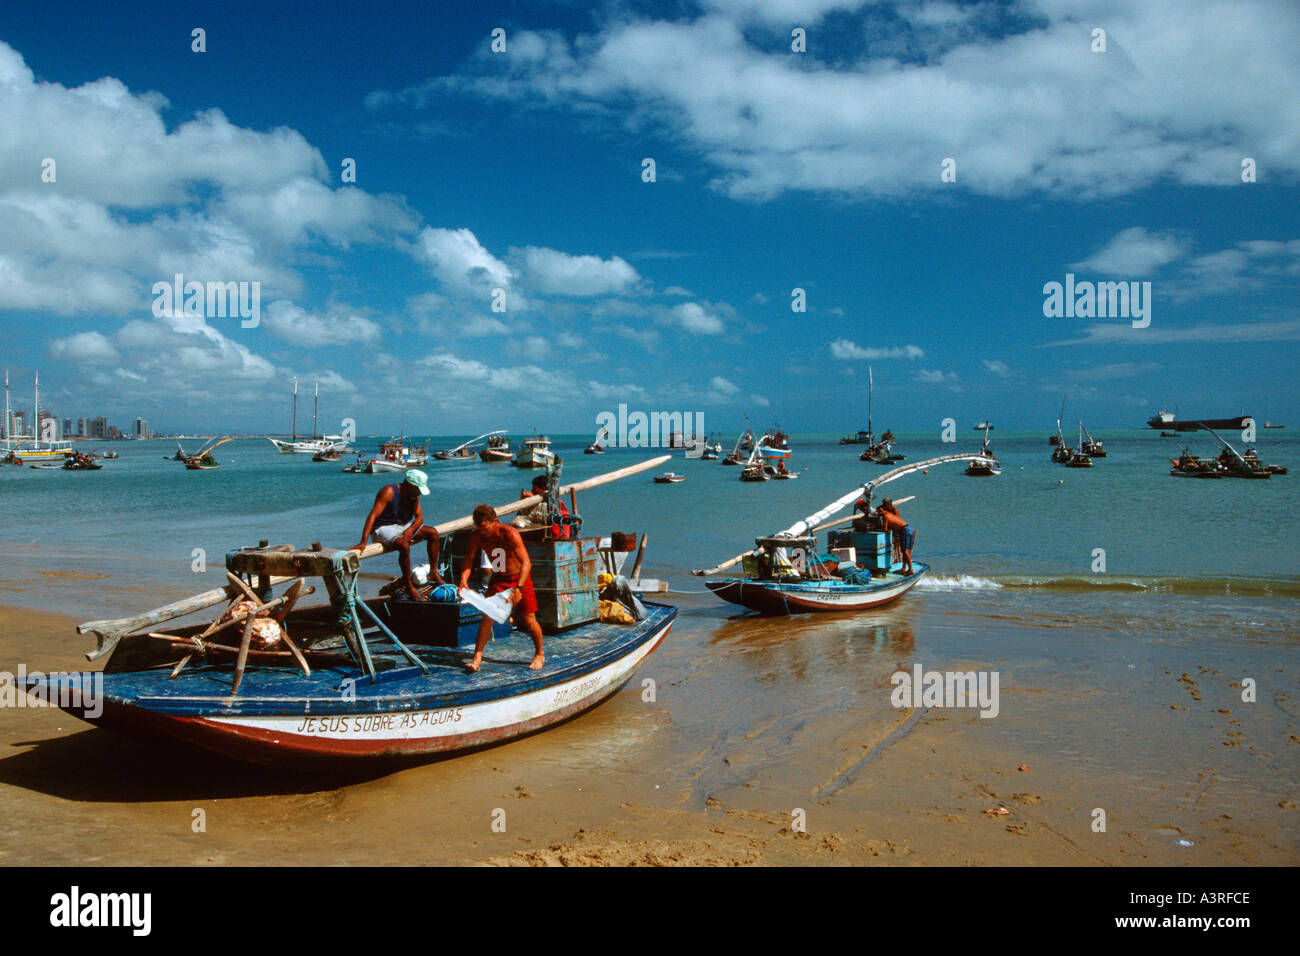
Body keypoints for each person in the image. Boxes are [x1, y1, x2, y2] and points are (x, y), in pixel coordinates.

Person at [459, 504, 544, 672]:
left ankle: (540, 653)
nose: (483, 532)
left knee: (528, 619)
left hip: (520, 578)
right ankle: (477, 657)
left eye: (485, 527)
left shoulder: (510, 534)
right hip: (498, 577)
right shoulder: (477, 535)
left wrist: (518, 588)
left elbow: (527, 563)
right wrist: (463, 579)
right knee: (487, 618)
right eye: (479, 528)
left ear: (495, 521)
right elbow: (469, 557)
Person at [350, 470, 443, 600]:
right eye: (418, 489)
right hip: (383, 527)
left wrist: (410, 530)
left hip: (402, 525)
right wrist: (363, 541)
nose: (419, 492)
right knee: (404, 545)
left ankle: (434, 572)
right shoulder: (388, 492)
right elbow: (372, 516)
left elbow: (419, 518)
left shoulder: (414, 495)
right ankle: (409, 585)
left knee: (433, 533)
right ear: (410, 485)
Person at [875, 498, 914, 575]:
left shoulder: (886, 516)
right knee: (906, 550)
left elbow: (886, 529)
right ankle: (904, 568)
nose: (879, 513)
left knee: (905, 551)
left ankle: (910, 569)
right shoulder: (891, 514)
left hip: (904, 531)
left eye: (880, 511)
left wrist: (886, 529)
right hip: (908, 528)